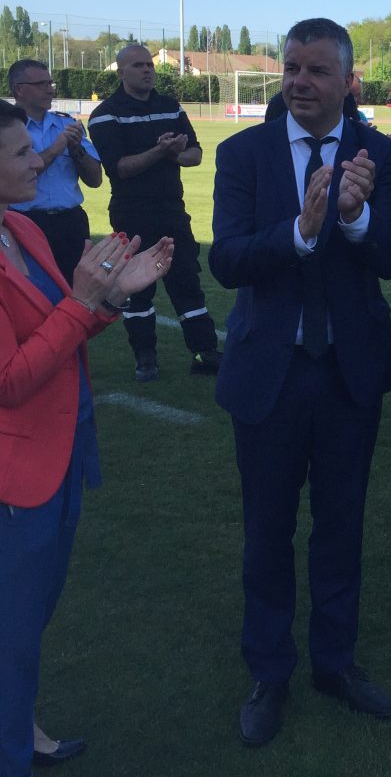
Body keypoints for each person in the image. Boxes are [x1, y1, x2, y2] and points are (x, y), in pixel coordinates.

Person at [209, 18, 391, 747]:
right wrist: (299, 232)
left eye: (317, 70)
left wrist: (352, 219)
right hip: (271, 375)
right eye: (292, 67)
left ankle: (335, 662)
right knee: (267, 531)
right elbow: (225, 260)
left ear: (348, 82)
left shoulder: (379, 153)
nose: (299, 82)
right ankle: (270, 670)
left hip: (349, 375)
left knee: (341, 526)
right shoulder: (245, 153)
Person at [0, 99, 174, 777]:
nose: (37, 161)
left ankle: (19, 726)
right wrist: (81, 299)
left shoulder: (22, 227)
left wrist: (112, 293)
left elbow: (62, 329)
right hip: (18, 471)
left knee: (28, 619)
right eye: (21, 153)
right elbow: (11, 380)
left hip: (64, 447)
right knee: (13, 628)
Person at [87, 44, 221, 381]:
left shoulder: (170, 106)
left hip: (172, 210)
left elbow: (195, 155)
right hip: (132, 214)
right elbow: (120, 168)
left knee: (186, 281)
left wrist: (172, 154)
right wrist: (161, 151)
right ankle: (145, 357)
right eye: (138, 65)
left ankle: (204, 352)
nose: (147, 70)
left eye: (149, 64)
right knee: (137, 290)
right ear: (121, 72)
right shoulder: (105, 114)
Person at [8, 60, 103, 286]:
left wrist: (76, 149)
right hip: (25, 222)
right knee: (32, 289)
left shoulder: (66, 124)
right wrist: (57, 147)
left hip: (70, 223)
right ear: (19, 89)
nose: (50, 89)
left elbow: (95, 179)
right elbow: (14, 176)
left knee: (77, 290)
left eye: (50, 83)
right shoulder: (9, 130)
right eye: (41, 84)